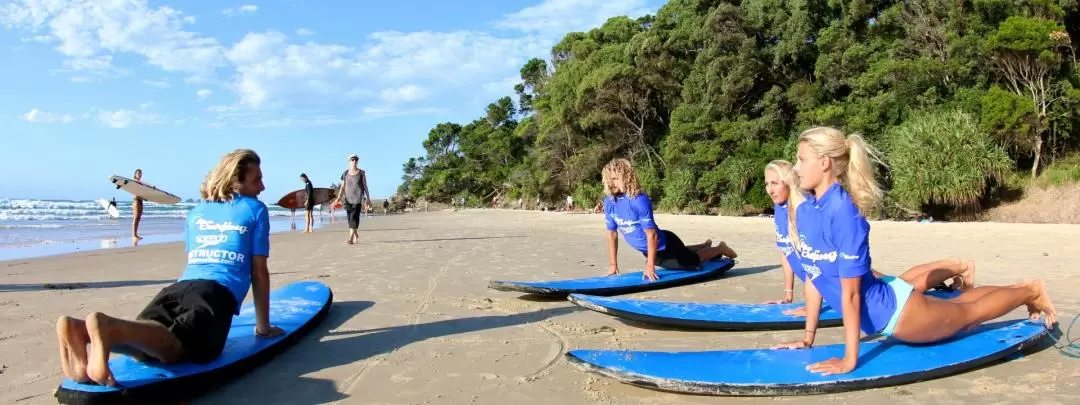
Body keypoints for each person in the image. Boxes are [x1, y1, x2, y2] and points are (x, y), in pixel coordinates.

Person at [771, 127, 1056, 376]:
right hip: (887, 298)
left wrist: (849, 359)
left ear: (824, 163)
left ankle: (1031, 291)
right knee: (958, 306)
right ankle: (1021, 288)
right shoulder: (808, 211)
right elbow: (814, 277)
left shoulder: (845, 213)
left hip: (897, 316)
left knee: (969, 314)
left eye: (801, 159)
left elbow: (852, 293)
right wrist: (808, 338)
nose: (796, 168)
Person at [54, 149, 285, 386]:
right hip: (216, 294)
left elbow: (195, 260)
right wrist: (263, 328)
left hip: (177, 289)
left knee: (147, 345)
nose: (262, 187)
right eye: (257, 179)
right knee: (178, 349)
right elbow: (258, 273)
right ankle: (105, 326)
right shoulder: (255, 209)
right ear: (235, 181)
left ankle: (80, 329)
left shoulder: (196, 213)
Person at [761, 160, 973, 315]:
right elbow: (787, 252)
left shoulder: (805, 209)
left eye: (775, 183)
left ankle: (958, 266)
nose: (770, 189)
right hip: (833, 280)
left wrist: (811, 304)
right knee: (900, 284)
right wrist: (788, 293)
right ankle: (956, 266)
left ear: (789, 182)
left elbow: (813, 259)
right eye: (767, 184)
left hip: (845, 274)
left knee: (904, 289)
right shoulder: (780, 209)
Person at [601, 158, 738, 281]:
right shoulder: (609, 203)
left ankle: (720, 248)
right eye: (608, 179)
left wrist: (650, 266)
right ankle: (703, 245)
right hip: (649, 250)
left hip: (665, 245)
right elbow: (612, 234)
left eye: (614, 179)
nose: (610, 183)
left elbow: (652, 235)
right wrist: (613, 266)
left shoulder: (638, 200)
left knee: (692, 262)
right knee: (675, 259)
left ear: (626, 177)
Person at [335, 154, 369, 244]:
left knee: (354, 217)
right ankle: (356, 234)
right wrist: (338, 198)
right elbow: (342, 186)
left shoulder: (361, 173)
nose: (354, 161)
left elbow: (365, 186)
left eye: (356, 160)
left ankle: (350, 238)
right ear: (349, 161)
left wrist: (368, 198)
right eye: (352, 160)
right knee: (350, 219)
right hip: (347, 199)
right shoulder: (345, 173)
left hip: (358, 198)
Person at [131, 169, 144, 240]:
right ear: (135, 174)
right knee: (135, 218)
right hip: (136, 201)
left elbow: (142, 192)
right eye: (138, 173)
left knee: (138, 218)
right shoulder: (133, 181)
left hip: (141, 201)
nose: (139, 174)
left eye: (140, 173)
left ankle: (136, 234)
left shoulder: (141, 183)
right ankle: (133, 235)